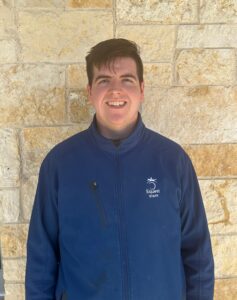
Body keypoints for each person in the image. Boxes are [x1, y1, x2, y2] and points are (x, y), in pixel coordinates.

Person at [25, 38, 214, 300]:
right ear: (90, 91)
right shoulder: (59, 164)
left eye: (127, 79)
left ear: (142, 89)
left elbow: (198, 253)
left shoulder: (173, 161)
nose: (116, 91)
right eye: (104, 80)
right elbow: (40, 259)